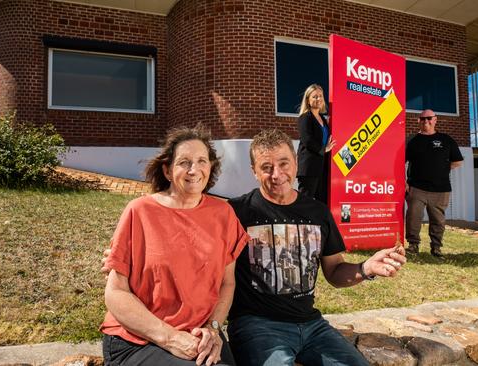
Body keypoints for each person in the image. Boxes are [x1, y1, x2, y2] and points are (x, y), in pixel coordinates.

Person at [103, 129, 407, 366]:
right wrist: (122, 253)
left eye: (283, 163)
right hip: (257, 325)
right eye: (266, 167)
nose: (276, 174)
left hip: (310, 324)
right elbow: (180, 232)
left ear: (295, 163)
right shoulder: (236, 211)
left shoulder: (315, 212)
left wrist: (366, 268)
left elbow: (334, 271)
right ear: (253, 171)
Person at [100, 126, 249, 366]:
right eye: (184, 162)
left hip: (199, 336)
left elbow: (227, 282)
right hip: (140, 339)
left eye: (202, 161)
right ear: (168, 170)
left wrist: (213, 328)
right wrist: (170, 338)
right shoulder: (140, 211)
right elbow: (116, 293)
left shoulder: (223, 213)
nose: (194, 169)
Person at [405, 109, 464, 258]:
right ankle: (413, 245)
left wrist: (442, 169)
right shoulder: (411, 140)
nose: (426, 121)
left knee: (438, 220)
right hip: (416, 187)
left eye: (429, 118)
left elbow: (457, 161)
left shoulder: (446, 139)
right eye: (423, 119)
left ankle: (436, 248)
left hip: (441, 189)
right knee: (413, 217)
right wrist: (404, 182)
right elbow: (401, 162)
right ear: (418, 121)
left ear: (435, 119)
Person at [296, 84, 336, 203]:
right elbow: (307, 140)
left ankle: (318, 222)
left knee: (322, 201)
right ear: (308, 100)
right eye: (314, 97)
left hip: (322, 166)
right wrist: (324, 149)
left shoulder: (323, 119)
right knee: (305, 200)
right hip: (309, 166)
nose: (318, 99)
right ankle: (300, 222)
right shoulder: (305, 118)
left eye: (320, 96)